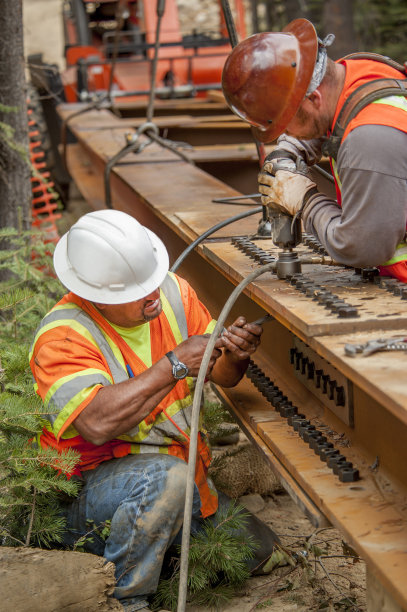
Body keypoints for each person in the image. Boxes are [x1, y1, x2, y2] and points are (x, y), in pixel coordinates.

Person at [29, 210, 278, 612]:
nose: (152, 296)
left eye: (151, 280)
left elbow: (223, 374)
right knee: (167, 479)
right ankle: (126, 599)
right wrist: (174, 364)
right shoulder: (63, 336)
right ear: (97, 296)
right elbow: (95, 424)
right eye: (135, 290)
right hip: (87, 491)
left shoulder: (173, 293)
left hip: (175, 480)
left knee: (257, 550)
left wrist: (235, 355)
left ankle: (158, 551)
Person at [221, 18, 407, 281]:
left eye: (287, 124)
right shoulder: (354, 75)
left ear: (313, 99)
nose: (285, 134)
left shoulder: (369, 137)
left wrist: (305, 201)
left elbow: (362, 249)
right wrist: (284, 155)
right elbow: (326, 122)